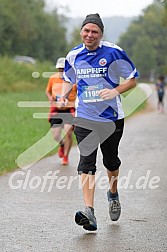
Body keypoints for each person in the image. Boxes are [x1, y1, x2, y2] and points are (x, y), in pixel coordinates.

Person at [59, 13, 139, 231]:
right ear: (81, 32)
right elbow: (69, 78)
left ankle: (113, 194)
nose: (90, 35)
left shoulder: (114, 52)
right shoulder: (74, 54)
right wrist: (65, 94)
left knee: (111, 162)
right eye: (86, 30)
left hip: (111, 118)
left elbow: (132, 78)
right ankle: (89, 211)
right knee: (86, 162)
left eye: (94, 31)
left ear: (101, 34)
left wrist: (115, 90)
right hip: (85, 117)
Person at [45, 57, 77, 165]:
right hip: (57, 109)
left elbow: (79, 94)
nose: (62, 71)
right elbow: (47, 91)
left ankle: (66, 157)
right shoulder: (53, 78)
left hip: (69, 110)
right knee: (56, 135)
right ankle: (62, 144)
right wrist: (50, 98)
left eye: (64, 69)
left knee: (68, 132)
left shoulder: (74, 80)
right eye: (60, 69)